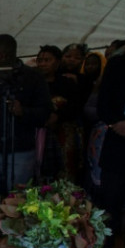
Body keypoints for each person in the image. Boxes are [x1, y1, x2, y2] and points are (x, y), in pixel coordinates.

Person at [0, 34, 51, 212]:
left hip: (20, 150)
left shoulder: (33, 78)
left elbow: (45, 113)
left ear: (3, 56)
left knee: (18, 197)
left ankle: (13, 236)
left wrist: (24, 112)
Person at [96, 39, 125, 248]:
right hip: (118, 142)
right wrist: (118, 123)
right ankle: (105, 243)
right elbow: (103, 104)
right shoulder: (118, 64)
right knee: (111, 199)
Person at [36, 45, 82, 183]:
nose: (42, 64)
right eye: (40, 60)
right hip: (39, 133)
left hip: (64, 134)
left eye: (47, 60)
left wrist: (58, 116)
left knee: (65, 169)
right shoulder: (33, 83)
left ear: (57, 62)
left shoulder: (67, 82)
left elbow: (76, 106)